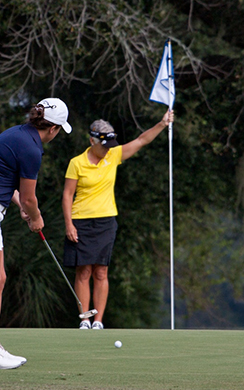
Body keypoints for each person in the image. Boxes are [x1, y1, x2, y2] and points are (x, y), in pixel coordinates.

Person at [0, 98, 72, 369]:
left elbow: (6, 181)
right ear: (53, 129)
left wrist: (20, 205)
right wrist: (35, 218)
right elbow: (30, 198)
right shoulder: (32, 148)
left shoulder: (17, 133)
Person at [62, 110, 174, 330]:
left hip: (106, 221)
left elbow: (142, 140)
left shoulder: (113, 156)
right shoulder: (76, 163)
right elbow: (67, 195)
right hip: (81, 221)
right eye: (103, 145)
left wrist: (162, 123)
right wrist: (69, 224)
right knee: (83, 271)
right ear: (92, 140)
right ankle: (84, 318)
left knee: (101, 271)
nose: (107, 149)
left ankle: (98, 321)